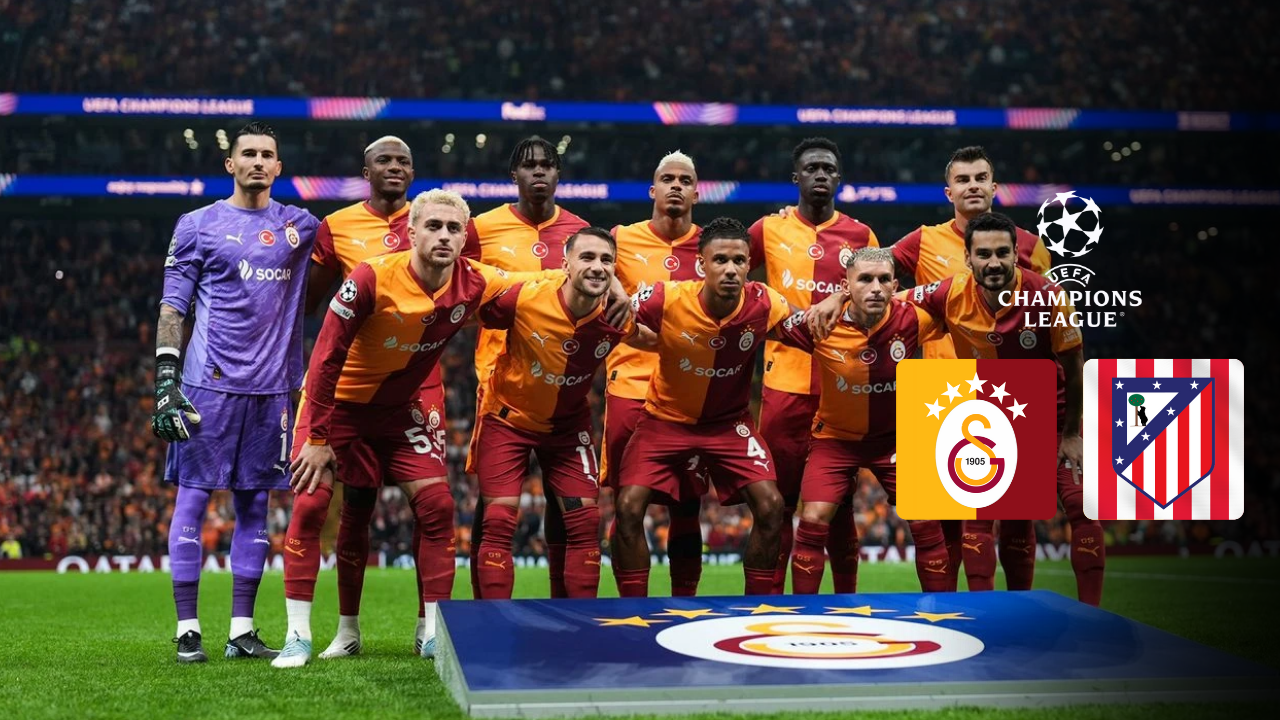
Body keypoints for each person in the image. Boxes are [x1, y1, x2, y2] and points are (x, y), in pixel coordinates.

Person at [275, 190, 627, 667]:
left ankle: (431, 633)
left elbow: (548, 279)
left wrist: (613, 283)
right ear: (412, 232)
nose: (444, 236)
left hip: (400, 410)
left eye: (454, 229)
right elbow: (324, 358)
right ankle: (297, 635)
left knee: (439, 506)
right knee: (312, 503)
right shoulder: (371, 277)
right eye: (434, 226)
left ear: (466, 237)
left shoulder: (476, 280)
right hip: (340, 405)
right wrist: (317, 438)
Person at [153, 121, 319, 663]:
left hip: (272, 391)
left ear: (278, 167)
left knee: (256, 505)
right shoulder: (197, 225)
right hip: (208, 386)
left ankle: (241, 631)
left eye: (267, 154)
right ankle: (187, 629)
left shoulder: (300, 226)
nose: (257, 162)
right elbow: (172, 307)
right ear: (231, 164)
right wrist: (165, 380)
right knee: (193, 498)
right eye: (248, 153)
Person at [902, 212, 1102, 606]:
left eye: (1001, 253)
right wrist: (840, 297)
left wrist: (1071, 433)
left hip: (1051, 417)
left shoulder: (1048, 296)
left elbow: (1075, 367)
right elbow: (892, 302)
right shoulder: (949, 293)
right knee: (980, 517)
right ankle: (986, 615)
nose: (993, 262)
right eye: (983, 254)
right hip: (992, 419)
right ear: (967, 258)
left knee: (1082, 505)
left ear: (1015, 255)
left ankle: (1092, 615)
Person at [301, 136, 443, 659]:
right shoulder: (337, 226)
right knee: (356, 505)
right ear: (366, 171)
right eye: (384, 160)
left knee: (432, 505)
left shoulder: (436, 221)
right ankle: (347, 630)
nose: (395, 167)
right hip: (356, 387)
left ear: (414, 172)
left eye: (404, 160)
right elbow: (310, 302)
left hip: (418, 387)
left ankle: (430, 628)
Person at [889, 145, 1052, 593]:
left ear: (994, 187)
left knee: (1017, 514)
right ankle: (946, 613)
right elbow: (876, 268)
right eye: (963, 180)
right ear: (949, 192)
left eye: (980, 178)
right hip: (939, 389)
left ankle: (1017, 609)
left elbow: (1044, 323)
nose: (972, 186)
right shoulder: (922, 241)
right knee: (944, 519)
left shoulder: (1030, 246)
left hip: (1013, 391)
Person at [613, 217, 796, 597]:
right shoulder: (665, 296)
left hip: (729, 425)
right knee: (628, 506)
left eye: (739, 261)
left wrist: (839, 301)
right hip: (663, 420)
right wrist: (638, 334)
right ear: (701, 264)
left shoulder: (765, 302)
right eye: (720, 260)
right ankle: (633, 610)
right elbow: (617, 316)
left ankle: (758, 605)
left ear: (749, 264)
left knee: (771, 505)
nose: (730, 269)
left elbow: (808, 326)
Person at [772, 248, 951, 593]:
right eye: (865, 279)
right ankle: (803, 612)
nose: (876, 288)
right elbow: (766, 325)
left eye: (884, 280)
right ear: (846, 286)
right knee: (812, 520)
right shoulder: (820, 322)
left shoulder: (914, 319)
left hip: (896, 439)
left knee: (928, 521)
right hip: (834, 440)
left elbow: (959, 302)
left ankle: (942, 610)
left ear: (895, 286)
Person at [749, 137, 879, 594]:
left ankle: (846, 602)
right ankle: (771, 603)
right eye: (811, 168)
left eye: (828, 168)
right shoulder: (768, 229)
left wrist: (841, 298)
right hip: (783, 387)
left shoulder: (862, 236)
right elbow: (733, 276)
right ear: (796, 178)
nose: (820, 174)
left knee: (839, 506)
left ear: (838, 178)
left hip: (840, 388)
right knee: (777, 504)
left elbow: (879, 295)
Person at [462, 137, 589, 599]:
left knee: (564, 499)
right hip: (500, 380)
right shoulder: (482, 228)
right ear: (513, 175)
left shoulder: (580, 231)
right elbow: (463, 287)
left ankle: (561, 601)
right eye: (529, 165)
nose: (539, 172)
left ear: (558, 174)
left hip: (561, 376)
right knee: (494, 504)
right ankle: (482, 608)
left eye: (547, 165)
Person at [473, 227, 631, 599]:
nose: (598, 267)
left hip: (567, 427)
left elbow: (656, 334)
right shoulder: (526, 296)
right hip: (508, 419)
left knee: (585, 521)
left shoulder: (618, 314)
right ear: (565, 265)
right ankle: (491, 622)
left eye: (606, 260)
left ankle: (579, 623)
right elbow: (472, 308)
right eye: (587, 257)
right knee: (498, 519)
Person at [604, 151, 707, 597]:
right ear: (653, 189)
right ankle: (633, 610)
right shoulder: (620, 239)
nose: (676, 186)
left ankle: (685, 605)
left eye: (685, 180)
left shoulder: (711, 247)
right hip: (629, 388)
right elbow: (602, 290)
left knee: (687, 506)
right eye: (668, 179)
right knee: (628, 505)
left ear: (697, 193)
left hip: (690, 393)